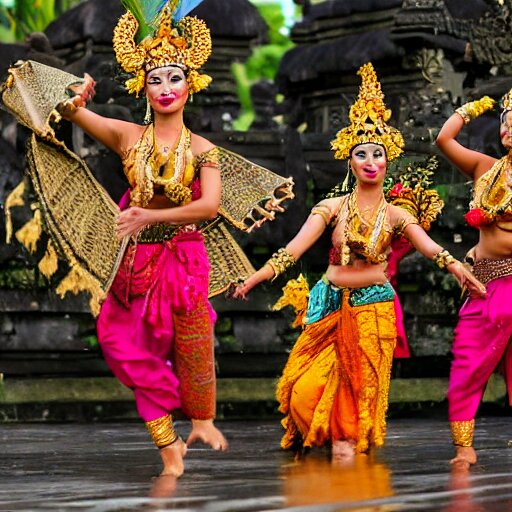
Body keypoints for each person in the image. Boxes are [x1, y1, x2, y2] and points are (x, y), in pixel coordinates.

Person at [2, 1, 293, 478]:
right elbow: (40, 92)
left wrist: (148, 217)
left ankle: (200, 420)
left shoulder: (203, 150)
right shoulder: (126, 136)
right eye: (155, 79)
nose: (165, 88)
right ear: (143, 85)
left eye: (174, 78)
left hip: (184, 255)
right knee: (120, 342)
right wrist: (76, 90)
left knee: (192, 340)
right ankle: (168, 442)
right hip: (136, 259)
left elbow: (209, 206)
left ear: (191, 83)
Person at [234, 63, 486, 460]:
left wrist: (457, 267)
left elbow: (429, 246)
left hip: (373, 310)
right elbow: (293, 250)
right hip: (328, 306)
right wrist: (254, 278)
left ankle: (347, 464)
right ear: (349, 160)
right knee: (304, 388)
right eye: (362, 154)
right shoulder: (331, 207)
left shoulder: (397, 215)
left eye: (378, 154)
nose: (370, 161)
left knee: (353, 406)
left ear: (388, 161)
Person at [436, 89, 512, 469]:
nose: (510, 129)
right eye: (505, 123)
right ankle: (463, 446)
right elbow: (444, 140)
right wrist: (470, 110)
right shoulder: (486, 168)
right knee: (467, 362)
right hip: (486, 283)